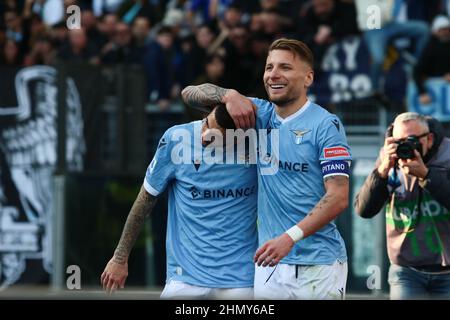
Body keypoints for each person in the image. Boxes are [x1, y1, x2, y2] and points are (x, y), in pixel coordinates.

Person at [182, 38, 351, 299]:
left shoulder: (326, 125)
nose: (273, 74)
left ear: (308, 78)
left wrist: (289, 238)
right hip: (269, 266)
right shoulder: (258, 113)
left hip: (318, 265)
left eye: (284, 67)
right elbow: (189, 94)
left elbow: (338, 197)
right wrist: (230, 95)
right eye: (269, 67)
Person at [101, 105, 258, 299]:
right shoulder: (177, 139)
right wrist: (120, 257)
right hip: (184, 279)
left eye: (214, 137)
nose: (204, 136)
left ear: (236, 138)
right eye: (206, 123)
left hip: (240, 281)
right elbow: (145, 199)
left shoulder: (257, 146)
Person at [354, 112, 450, 299]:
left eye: (412, 139)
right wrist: (382, 172)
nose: (406, 146)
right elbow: (364, 210)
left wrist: (426, 175)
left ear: (429, 139)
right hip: (406, 271)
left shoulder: (447, 157)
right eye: (399, 141)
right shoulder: (389, 159)